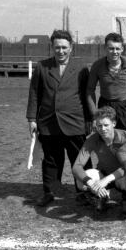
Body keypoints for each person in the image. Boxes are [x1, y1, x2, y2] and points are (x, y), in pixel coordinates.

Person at [26, 29, 91, 207]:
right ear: (52, 48)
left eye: (64, 47)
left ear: (71, 48)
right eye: (57, 47)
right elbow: (34, 94)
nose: (60, 51)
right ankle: (50, 192)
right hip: (48, 122)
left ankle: (84, 192)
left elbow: (87, 96)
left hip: (75, 122)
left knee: (80, 159)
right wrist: (32, 118)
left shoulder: (82, 68)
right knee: (51, 160)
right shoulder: (42, 67)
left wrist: (89, 119)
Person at [72, 106, 126, 216]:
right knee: (82, 180)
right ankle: (102, 195)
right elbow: (77, 166)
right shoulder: (92, 139)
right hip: (104, 174)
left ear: (114, 123)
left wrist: (107, 180)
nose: (102, 129)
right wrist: (92, 184)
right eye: (99, 125)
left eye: (106, 125)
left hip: (122, 175)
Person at [87, 32, 126, 134]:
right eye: (111, 48)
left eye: (118, 48)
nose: (115, 52)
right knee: (106, 144)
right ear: (105, 48)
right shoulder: (97, 66)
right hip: (106, 106)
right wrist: (94, 115)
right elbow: (90, 90)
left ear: (122, 49)